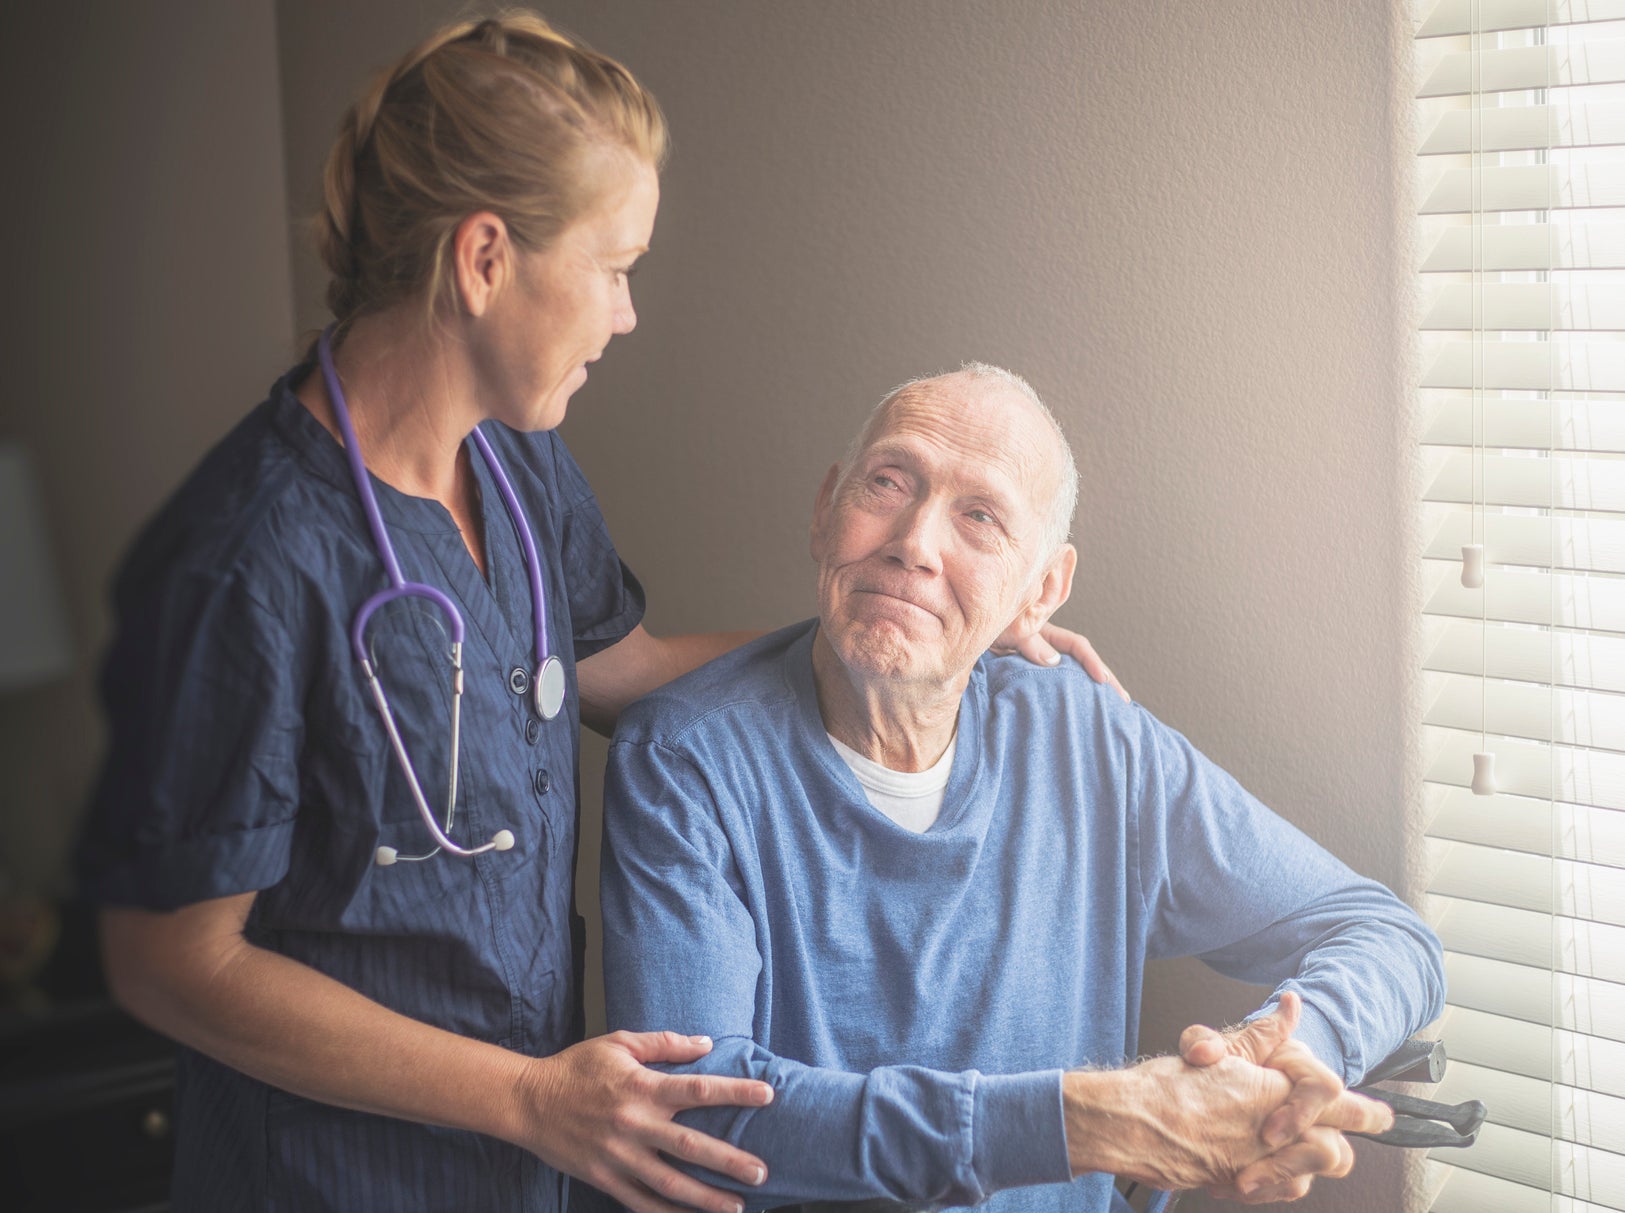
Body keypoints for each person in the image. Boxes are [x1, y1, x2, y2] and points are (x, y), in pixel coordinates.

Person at [72, 17, 1125, 1213]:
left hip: (528, 1171)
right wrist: (522, 1097)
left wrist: (921, 630)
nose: (625, 314)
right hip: (327, 1177)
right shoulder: (247, 558)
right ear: (482, 260)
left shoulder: (517, 468)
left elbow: (623, 671)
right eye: (614, 265)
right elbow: (169, 962)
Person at [600, 365, 1446, 1212]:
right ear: (825, 510)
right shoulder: (683, 759)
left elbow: (1383, 933)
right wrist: (1086, 1122)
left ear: (1039, 591)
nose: (915, 543)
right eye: (888, 482)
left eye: (980, 517)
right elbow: (692, 1122)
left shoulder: (1094, 743)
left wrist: (1296, 1052)